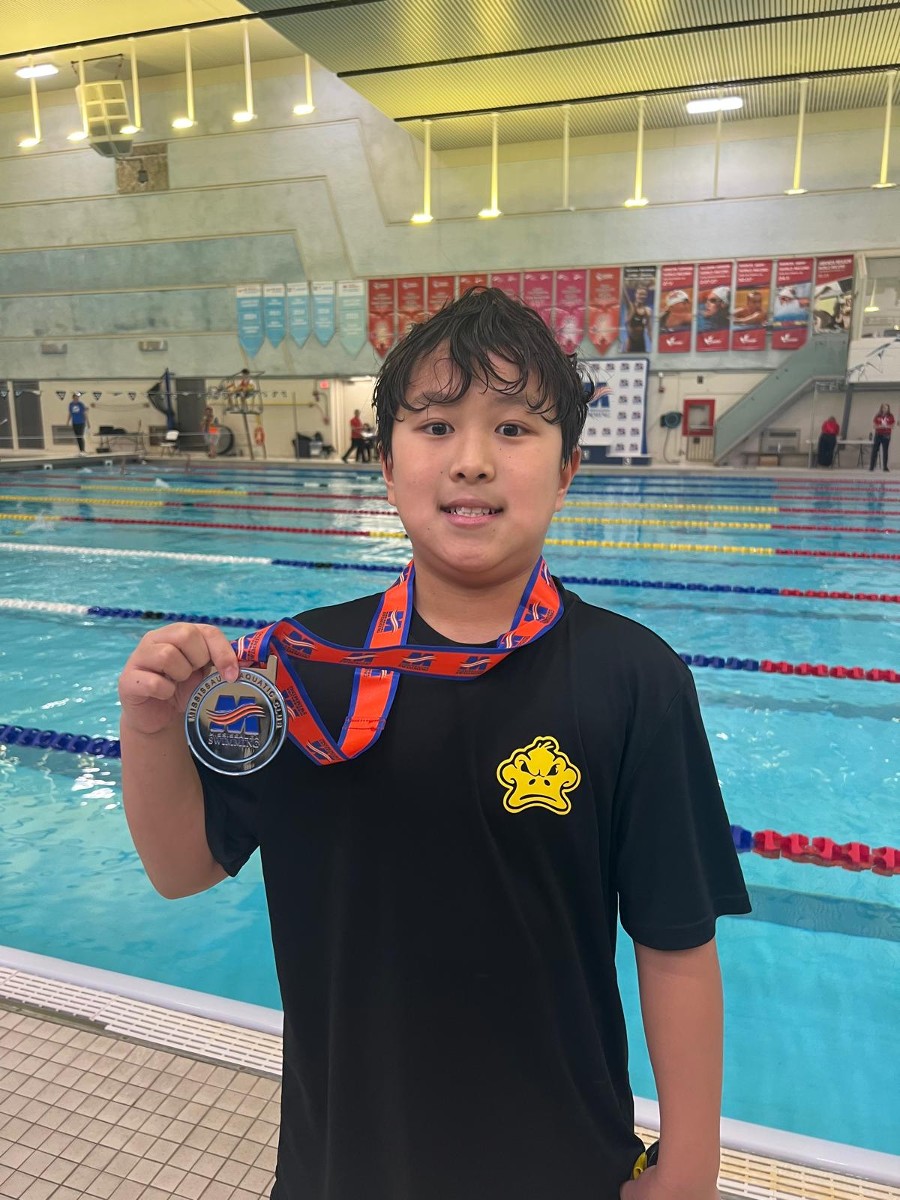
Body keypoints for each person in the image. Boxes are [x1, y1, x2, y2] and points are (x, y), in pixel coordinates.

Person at [118, 287, 749, 1200]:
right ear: (385, 464)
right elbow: (181, 868)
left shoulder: (634, 679)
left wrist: (691, 1164)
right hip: (343, 1166)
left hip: (561, 1164)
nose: (473, 461)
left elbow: (677, 940)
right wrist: (149, 730)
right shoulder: (300, 673)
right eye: (436, 426)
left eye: (515, 429)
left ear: (568, 469)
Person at [623, 285, 652, 352]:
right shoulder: (630, 308)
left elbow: (649, 330)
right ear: (636, 294)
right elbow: (625, 296)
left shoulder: (648, 311)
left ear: (646, 296)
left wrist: (654, 344)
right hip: (630, 345)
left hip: (642, 345)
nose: (642, 296)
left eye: (644, 294)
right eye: (640, 294)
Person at [871, 402, 895, 471]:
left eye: (886, 408)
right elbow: (874, 426)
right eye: (884, 408)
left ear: (888, 409)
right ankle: (871, 467)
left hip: (886, 435)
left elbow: (892, 426)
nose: (885, 409)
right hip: (878, 435)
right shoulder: (878, 416)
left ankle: (885, 467)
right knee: (874, 450)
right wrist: (881, 426)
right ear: (881, 408)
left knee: (885, 451)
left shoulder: (890, 416)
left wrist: (886, 426)